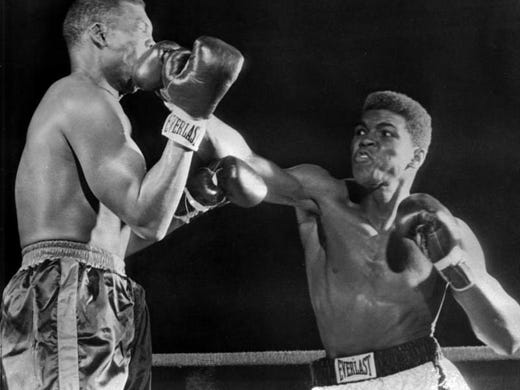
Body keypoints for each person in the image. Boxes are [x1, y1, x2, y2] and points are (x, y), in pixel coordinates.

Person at [0, 0, 267, 389]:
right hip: (66, 294)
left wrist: (192, 203)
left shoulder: (104, 110)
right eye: (143, 31)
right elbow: (146, 217)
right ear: (100, 34)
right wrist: (189, 117)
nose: (154, 45)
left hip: (98, 288)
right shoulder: (79, 98)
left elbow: (120, 241)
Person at [188, 90, 520, 389]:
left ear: (416, 157)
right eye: (361, 131)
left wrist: (452, 263)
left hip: (419, 379)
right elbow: (244, 160)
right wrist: (190, 101)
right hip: (335, 382)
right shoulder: (323, 196)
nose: (366, 139)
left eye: (385, 132)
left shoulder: (445, 227)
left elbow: (509, 338)